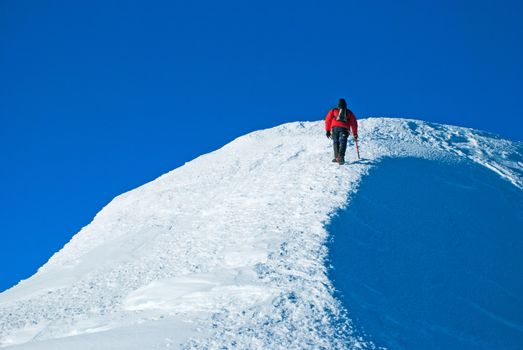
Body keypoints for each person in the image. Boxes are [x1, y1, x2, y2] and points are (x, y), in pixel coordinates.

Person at [325, 98, 358, 165]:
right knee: (343, 142)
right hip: (344, 129)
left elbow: (327, 120)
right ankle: (341, 157)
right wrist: (355, 133)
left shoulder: (334, 110)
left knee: (335, 142)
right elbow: (354, 123)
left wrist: (327, 130)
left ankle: (337, 157)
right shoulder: (349, 112)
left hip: (335, 128)